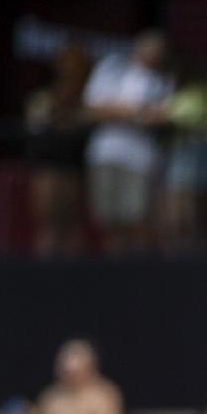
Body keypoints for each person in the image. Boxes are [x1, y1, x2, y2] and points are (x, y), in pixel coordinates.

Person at [83, 30, 173, 254]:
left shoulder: (163, 81)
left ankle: (136, 271)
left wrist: (121, 111)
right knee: (108, 220)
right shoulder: (111, 69)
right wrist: (135, 112)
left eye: (158, 52)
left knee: (136, 218)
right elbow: (92, 109)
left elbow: (162, 117)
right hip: (106, 154)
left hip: (140, 160)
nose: (153, 55)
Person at [24, 45, 92, 256]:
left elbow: (86, 120)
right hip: (47, 162)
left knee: (71, 222)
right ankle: (45, 278)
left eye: (74, 64)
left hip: (72, 164)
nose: (68, 68)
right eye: (64, 63)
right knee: (48, 222)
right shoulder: (44, 96)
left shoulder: (86, 96)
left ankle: (73, 278)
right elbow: (34, 121)